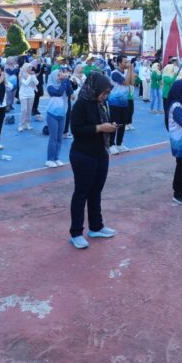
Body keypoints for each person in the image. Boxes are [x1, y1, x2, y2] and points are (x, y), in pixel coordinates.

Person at [67, 72, 118, 249]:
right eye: (104, 93)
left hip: (100, 153)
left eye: (107, 93)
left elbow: (103, 123)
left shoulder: (100, 104)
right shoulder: (81, 104)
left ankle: (96, 226)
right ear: (94, 89)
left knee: (96, 191)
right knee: (81, 193)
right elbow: (77, 130)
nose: (105, 96)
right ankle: (76, 233)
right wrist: (100, 128)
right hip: (83, 155)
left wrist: (111, 126)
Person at [45, 67, 71, 168]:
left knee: (60, 138)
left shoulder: (63, 84)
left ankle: (56, 158)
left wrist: (67, 81)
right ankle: (49, 159)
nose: (61, 75)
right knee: (53, 137)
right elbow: (58, 93)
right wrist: (64, 81)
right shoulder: (50, 86)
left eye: (61, 73)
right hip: (52, 114)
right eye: (59, 74)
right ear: (54, 76)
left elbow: (70, 92)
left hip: (62, 114)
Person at [107, 58, 133, 154]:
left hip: (124, 102)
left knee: (122, 124)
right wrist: (129, 70)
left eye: (128, 62)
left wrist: (131, 70)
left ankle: (119, 143)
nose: (127, 63)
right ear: (119, 63)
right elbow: (126, 82)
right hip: (114, 102)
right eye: (125, 62)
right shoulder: (114, 73)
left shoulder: (126, 72)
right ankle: (111, 144)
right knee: (114, 124)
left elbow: (132, 82)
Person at [17, 63, 38, 132]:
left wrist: (33, 76)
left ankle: (27, 123)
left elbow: (36, 83)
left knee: (29, 110)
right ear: (25, 68)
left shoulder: (32, 75)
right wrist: (31, 76)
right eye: (29, 67)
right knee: (24, 110)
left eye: (31, 67)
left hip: (31, 94)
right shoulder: (21, 75)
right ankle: (21, 125)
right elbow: (26, 83)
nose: (30, 69)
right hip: (23, 94)